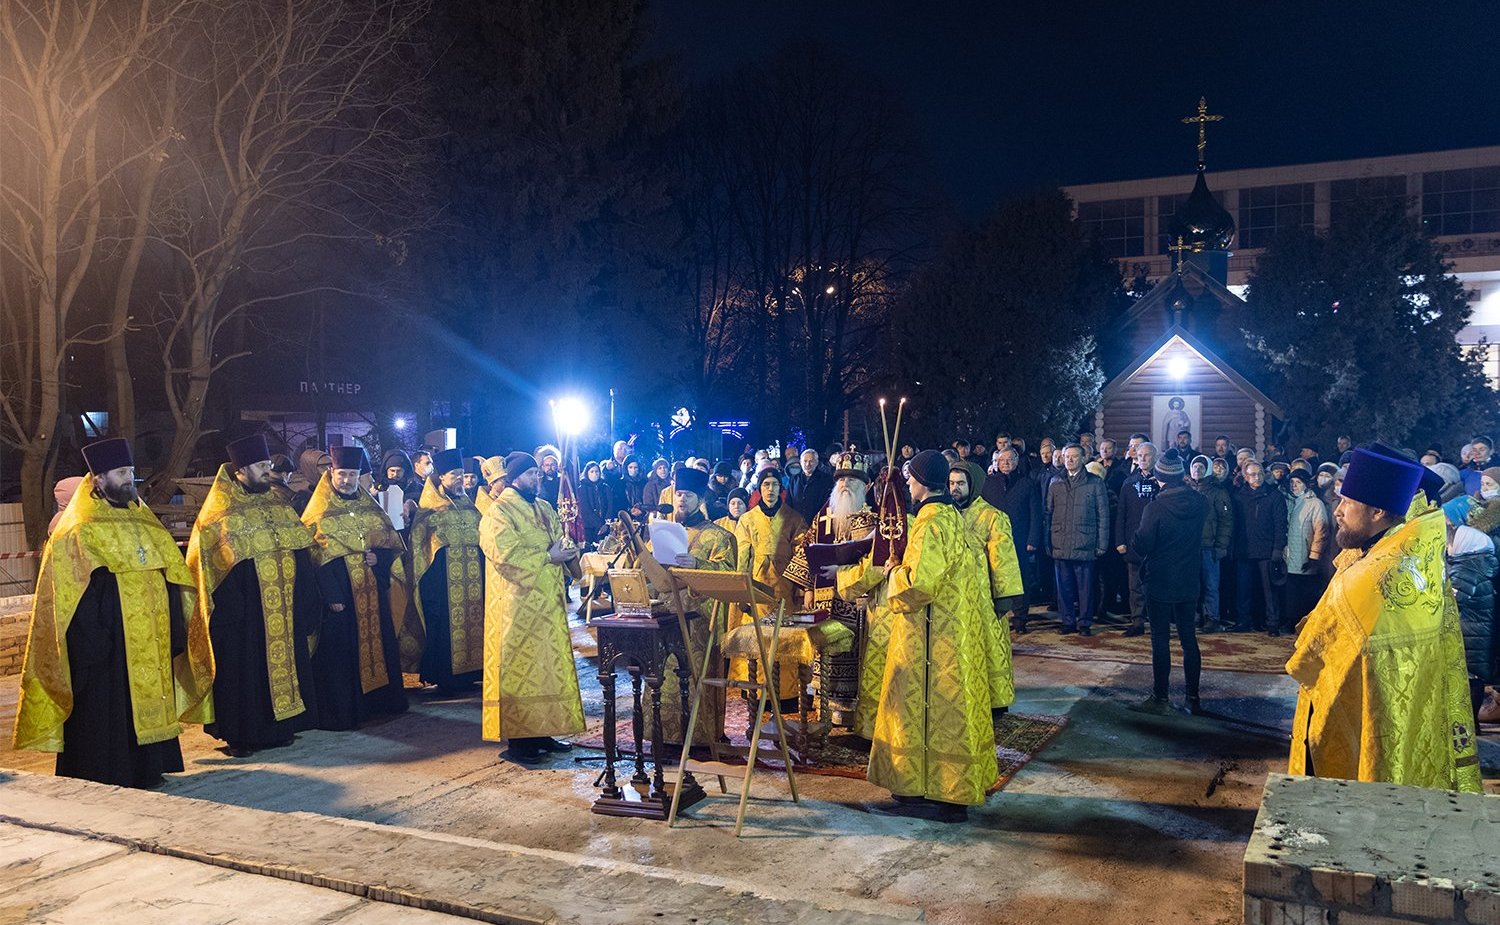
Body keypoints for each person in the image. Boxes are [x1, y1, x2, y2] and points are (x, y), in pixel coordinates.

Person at [14, 438, 213, 787]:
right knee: (107, 708)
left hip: (149, 637)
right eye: (122, 473)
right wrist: (94, 637)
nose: (129, 480)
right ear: (99, 478)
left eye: (132, 473)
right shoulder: (78, 528)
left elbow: (169, 573)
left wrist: (173, 627)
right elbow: (67, 593)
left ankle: (149, 767)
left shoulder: (144, 521)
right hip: (108, 640)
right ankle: (108, 770)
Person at [1287, 448, 1481, 791]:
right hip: (1405, 719)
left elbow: (1307, 657)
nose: (1338, 511)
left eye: (1347, 502)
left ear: (1378, 511)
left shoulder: (1372, 575)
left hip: (1367, 718)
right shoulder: (1413, 550)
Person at [862, 449, 996, 823]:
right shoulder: (952, 516)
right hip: (952, 632)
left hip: (932, 638)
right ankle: (923, 785)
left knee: (930, 708)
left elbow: (920, 585)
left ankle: (942, 795)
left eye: (911, 477)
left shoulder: (930, 522)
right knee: (947, 712)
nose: (907, 482)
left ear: (922, 482)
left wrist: (892, 572)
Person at [188, 434, 321, 757]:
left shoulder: (277, 503)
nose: (267, 472)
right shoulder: (220, 512)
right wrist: (233, 609)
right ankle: (242, 735)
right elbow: (208, 565)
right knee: (244, 674)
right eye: (260, 466)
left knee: (284, 667)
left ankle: (282, 727)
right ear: (240, 471)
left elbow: (300, 550)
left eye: (266, 465)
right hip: (243, 615)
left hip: (283, 607)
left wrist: (304, 597)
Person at [478, 451, 584, 765]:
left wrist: (569, 551)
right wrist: (547, 557)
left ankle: (544, 731)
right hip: (517, 605)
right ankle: (520, 742)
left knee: (545, 667)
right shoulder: (498, 512)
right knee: (519, 669)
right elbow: (503, 554)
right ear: (513, 477)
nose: (536, 479)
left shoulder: (544, 506)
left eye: (538, 474)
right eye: (530, 474)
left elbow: (558, 542)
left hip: (548, 603)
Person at [300, 446, 409, 729]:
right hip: (341, 597)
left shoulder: (368, 505)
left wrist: (379, 558)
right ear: (331, 473)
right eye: (342, 474)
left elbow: (387, 543)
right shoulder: (319, 511)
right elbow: (315, 558)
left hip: (370, 589)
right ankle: (345, 713)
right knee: (341, 655)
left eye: (353, 474)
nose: (347, 480)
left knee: (378, 647)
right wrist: (332, 596)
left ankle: (378, 703)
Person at [785, 453, 879, 725]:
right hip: (824, 600)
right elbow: (806, 551)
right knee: (824, 653)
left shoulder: (871, 519)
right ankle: (824, 703)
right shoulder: (823, 516)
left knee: (851, 652)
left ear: (865, 486)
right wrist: (807, 591)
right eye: (841, 479)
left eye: (852, 480)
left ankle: (851, 710)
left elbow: (873, 560)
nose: (845, 484)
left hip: (853, 600)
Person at [656, 465, 737, 745]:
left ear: (699, 499)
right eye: (678, 493)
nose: (681, 500)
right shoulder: (662, 531)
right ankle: (663, 736)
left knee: (695, 677)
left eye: (688, 495)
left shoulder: (720, 536)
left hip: (701, 622)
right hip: (666, 616)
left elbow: (729, 574)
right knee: (664, 676)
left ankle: (702, 738)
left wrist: (699, 564)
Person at [1130, 453, 1208, 715]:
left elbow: (1143, 543)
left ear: (1160, 477)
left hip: (1160, 580)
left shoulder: (1155, 507)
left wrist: (1136, 538)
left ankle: (1160, 696)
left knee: (1160, 640)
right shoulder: (1200, 502)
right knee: (1188, 639)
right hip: (1188, 579)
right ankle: (1192, 697)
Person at [950, 461, 1023, 717]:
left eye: (960, 483)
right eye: (951, 484)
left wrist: (1004, 597)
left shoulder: (992, 516)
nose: (955, 489)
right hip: (957, 597)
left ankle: (996, 701)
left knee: (990, 647)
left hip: (984, 597)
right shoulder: (946, 515)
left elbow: (1004, 559)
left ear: (973, 485)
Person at [408, 448, 485, 691]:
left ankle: (473, 671)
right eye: (454, 475)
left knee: (475, 619)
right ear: (441, 477)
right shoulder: (430, 509)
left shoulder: (470, 506)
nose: (460, 479)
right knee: (444, 625)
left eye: (462, 474)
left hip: (472, 579)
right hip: (442, 580)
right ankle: (446, 676)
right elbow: (421, 546)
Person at [732, 466, 808, 702]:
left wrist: (801, 587)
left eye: (775, 485)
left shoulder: (794, 517)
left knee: (784, 640)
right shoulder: (747, 519)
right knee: (758, 641)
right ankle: (755, 691)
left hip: (785, 589)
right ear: (759, 489)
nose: (770, 489)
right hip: (756, 588)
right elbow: (742, 556)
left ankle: (785, 695)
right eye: (766, 485)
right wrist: (741, 594)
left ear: (781, 489)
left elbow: (803, 553)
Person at [1046, 444, 1110, 635]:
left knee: (1085, 588)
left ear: (1083, 459)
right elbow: (1047, 513)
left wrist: (1102, 544)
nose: (1070, 460)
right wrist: (1047, 541)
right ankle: (1067, 621)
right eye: (1067, 457)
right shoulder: (1055, 481)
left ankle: (1084, 623)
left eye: (1074, 457)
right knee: (1063, 588)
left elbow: (1103, 516)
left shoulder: (1095, 483)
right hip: (1061, 542)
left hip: (1085, 542)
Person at [981, 447, 1042, 633]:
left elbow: (1035, 513)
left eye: (1009, 460)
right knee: (994, 578)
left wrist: (1033, 539)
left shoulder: (1027, 483)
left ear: (1016, 462)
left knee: (1020, 579)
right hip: (993, 540)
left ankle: (1020, 618)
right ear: (996, 463)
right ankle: (996, 615)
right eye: (1002, 461)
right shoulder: (988, 484)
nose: (1006, 464)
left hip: (1019, 539)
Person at [1447, 525, 1497, 728]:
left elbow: (1452, 599)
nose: (1449, 546)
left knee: (1471, 678)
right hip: (1477, 632)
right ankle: (1472, 724)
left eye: (1451, 542)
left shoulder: (1469, 568)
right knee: (1473, 678)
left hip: (1472, 635)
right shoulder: (1479, 564)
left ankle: (1470, 726)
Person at [1231, 462, 1287, 635]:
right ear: (1246, 477)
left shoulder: (1274, 496)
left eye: (1259, 474)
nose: (1257, 477)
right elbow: (1235, 524)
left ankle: (1272, 624)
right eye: (1253, 475)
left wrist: (1278, 548)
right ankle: (1243, 621)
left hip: (1266, 549)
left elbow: (1280, 523)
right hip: (1244, 548)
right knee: (1243, 589)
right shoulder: (1239, 496)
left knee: (1269, 590)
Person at [1115, 442, 1161, 637]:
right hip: (1134, 541)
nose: (1142, 459)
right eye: (1139, 455)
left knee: (1158, 583)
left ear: (1155, 457)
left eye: (1147, 455)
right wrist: (1120, 541)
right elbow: (1121, 514)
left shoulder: (1162, 482)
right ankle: (1137, 621)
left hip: (1159, 543)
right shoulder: (1128, 482)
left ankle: (1158, 621)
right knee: (1135, 585)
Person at [1188, 455, 1233, 632]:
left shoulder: (1218, 491)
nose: (1196, 471)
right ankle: (1193, 616)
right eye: (1194, 467)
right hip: (1190, 546)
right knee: (1192, 584)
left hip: (1210, 545)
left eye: (1200, 467)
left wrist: (1221, 545)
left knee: (1210, 584)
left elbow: (1226, 520)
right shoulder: (1187, 489)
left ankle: (1212, 617)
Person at [1283, 468, 1329, 627]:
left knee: (1304, 590)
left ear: (1306, 484)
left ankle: (1303, 621)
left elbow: (1321, 530)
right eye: (1292, 483)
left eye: (1298, 482)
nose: (1294, 486)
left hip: (1305, 553)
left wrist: (1314, 556)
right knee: (1291, 588)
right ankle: (1290, 619)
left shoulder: (1315, 504)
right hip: (1290, 554)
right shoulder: (1289, 501)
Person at [787, 448, 833, 524]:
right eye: (805, 461)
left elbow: (827, 504)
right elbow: (789, 502)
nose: (808, 464)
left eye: (811, 461)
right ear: (800, 462)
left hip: (817, 523)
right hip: (797, 526)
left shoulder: (826, 480)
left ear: (816, 462)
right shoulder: (794, 479)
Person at [578, 460, 611, 543]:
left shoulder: (605, 487)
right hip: (589, 528)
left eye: (597, 471)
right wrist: (599, 524)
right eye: (592, 471)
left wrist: (606, 524)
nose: (595, 474)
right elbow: (585, 509)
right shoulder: (582, 488)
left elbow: (610, 506)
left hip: (605, 527)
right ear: (587, 473)